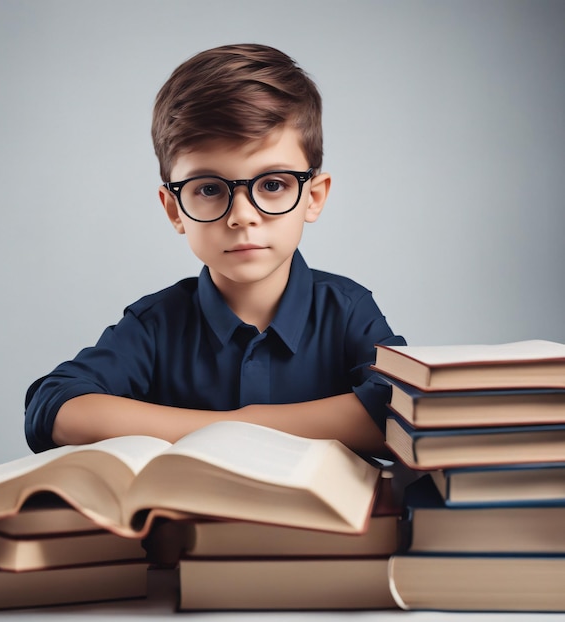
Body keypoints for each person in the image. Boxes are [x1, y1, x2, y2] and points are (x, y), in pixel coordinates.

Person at [24, 43, 405, 456]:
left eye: (272, 184)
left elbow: (401, 409)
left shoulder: (346, 309)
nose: (241, 216)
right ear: (174, 209)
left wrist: (226, 429)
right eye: (208, 188)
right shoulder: (156, 324)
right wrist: (233, 429)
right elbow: (54, 406)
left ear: (313, 196)